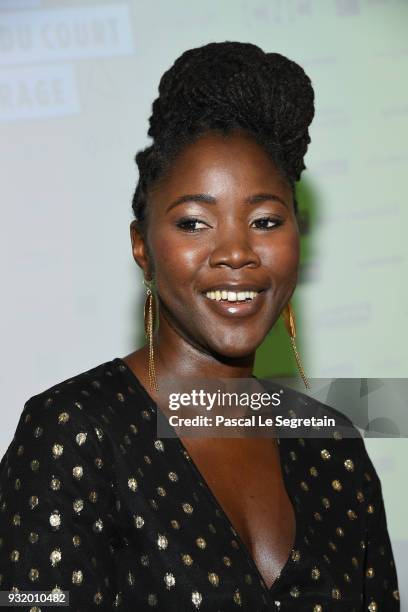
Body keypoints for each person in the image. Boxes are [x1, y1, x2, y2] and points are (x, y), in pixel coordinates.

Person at [0, 41, 399, 611]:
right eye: (194, 223)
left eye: (265, 220)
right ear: (142, 245)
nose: (236, 252)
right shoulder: (73, 430)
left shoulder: (334, 446)